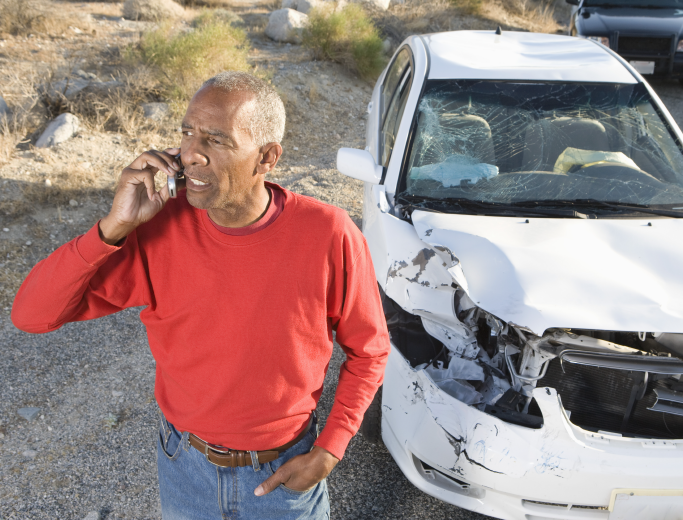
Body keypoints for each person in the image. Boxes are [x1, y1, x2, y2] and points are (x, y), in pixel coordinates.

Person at [11, 71, 390, 519]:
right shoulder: (156, 229)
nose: (190, 153)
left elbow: (369, 350)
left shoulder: (329, 233)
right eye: (187, 133)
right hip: (183, 469)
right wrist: (113, 226)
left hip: (284, 477)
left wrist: (330, 449)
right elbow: (31, 314)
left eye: (215, 140)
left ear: (266, 157)